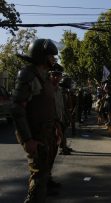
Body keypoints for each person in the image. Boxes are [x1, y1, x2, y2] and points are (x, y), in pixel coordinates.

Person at [11, 39, 59, 203]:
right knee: (38, 177)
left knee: (44, 175)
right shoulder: (28, 75)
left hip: (46, 134)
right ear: (41, 56)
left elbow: (49, 107)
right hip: (35, 136)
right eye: (51, 56)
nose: (54, 59)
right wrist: (27, 139)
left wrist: (56, 130)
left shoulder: (43, 76)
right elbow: (17, 108)